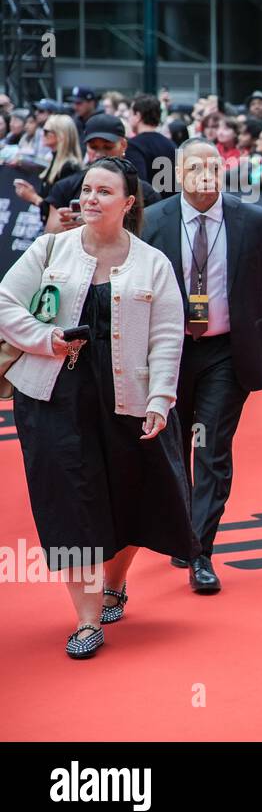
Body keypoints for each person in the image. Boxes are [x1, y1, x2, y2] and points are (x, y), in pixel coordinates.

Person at [0, 157, 195, 657]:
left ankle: (115, 582)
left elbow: (168, 337)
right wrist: (46, 339)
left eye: (104, 192)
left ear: (128, 203)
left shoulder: (153, 262)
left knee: (131, 495)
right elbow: (5, 304)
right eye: (87, 190)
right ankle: (87, 619)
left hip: (128, 399)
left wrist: (160, 400)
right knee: (69, 502)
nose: (90, 199)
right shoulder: (49, 250)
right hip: (51, 399)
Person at [142, 138, 262, 593]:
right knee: (173, 450)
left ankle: (200, 550)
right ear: (179, 172)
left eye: (213, 165)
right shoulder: (153, 221)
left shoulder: (252, 219)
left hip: (229, 353)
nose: (206, 173)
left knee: (212, 450)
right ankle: (184, 527)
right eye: (195, 167)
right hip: (169, 352)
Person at [125, 94, 177, 192]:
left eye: (131, 113)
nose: (128, 117)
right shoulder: (172, 145)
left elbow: (138, 186)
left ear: (138, 116)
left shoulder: (133, 146)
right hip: (173, 204)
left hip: (150, 205)